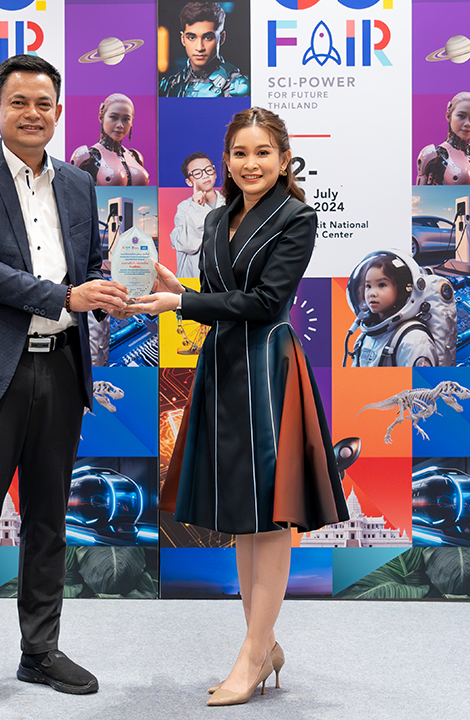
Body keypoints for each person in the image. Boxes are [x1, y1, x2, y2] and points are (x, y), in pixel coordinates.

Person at [133, 108, 349, 706]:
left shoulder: (297, 217)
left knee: (270, 515)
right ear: (226, 160)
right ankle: (264, 644)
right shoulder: (213, 219)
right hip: (224, 365)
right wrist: (176, 290)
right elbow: (217, 297)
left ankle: (252, 655)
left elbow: (264, 302)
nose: (250, 164)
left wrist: (182, 304)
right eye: (239, 153)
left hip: (268, 369)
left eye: (262, 153)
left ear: (284, 159)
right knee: (243, 515)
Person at [0, 54, 130, 705]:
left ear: (59, 112)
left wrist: (114, 287)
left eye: (44, 103)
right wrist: (66, 296)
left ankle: (40, 652)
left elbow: (91, 262)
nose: (32, 114)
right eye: (19, 102)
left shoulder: (77, 182)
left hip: (63, 367)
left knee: (48, 520)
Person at [341, 250, 441, 367]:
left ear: (401, 290)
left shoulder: (414, 341)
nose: (372, 293)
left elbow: (417, 379)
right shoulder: (365, 337)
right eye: (368, 286)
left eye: (382, 285)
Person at [159, 2, 249, 97]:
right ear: (183, 39)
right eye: (192, 38)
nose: (199, 48)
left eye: (207, 38)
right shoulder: (168, 85)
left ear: (222, 38)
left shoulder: (236, 86)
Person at [416, 92, 470, 185]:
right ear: (449, 116)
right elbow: (422, 192)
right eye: (461, 116)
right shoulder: (435, 156)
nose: (468, 123)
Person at [70, 93, 150, 186]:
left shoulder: (135, 157)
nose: (120, 125)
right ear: (101, 117)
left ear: (132, 121)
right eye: (114, 117)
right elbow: (74, 191)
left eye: (126, 119)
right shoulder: (87, 157)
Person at [170, 152, 225, 278]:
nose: (205, 175)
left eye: (208, 170)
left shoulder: (229, 204)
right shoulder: (184, 208)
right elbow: (188, 245)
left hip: (220, 279)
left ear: (215, 173)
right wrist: (196, 208)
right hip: (192, 279)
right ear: (189, 182)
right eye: (197, 173)